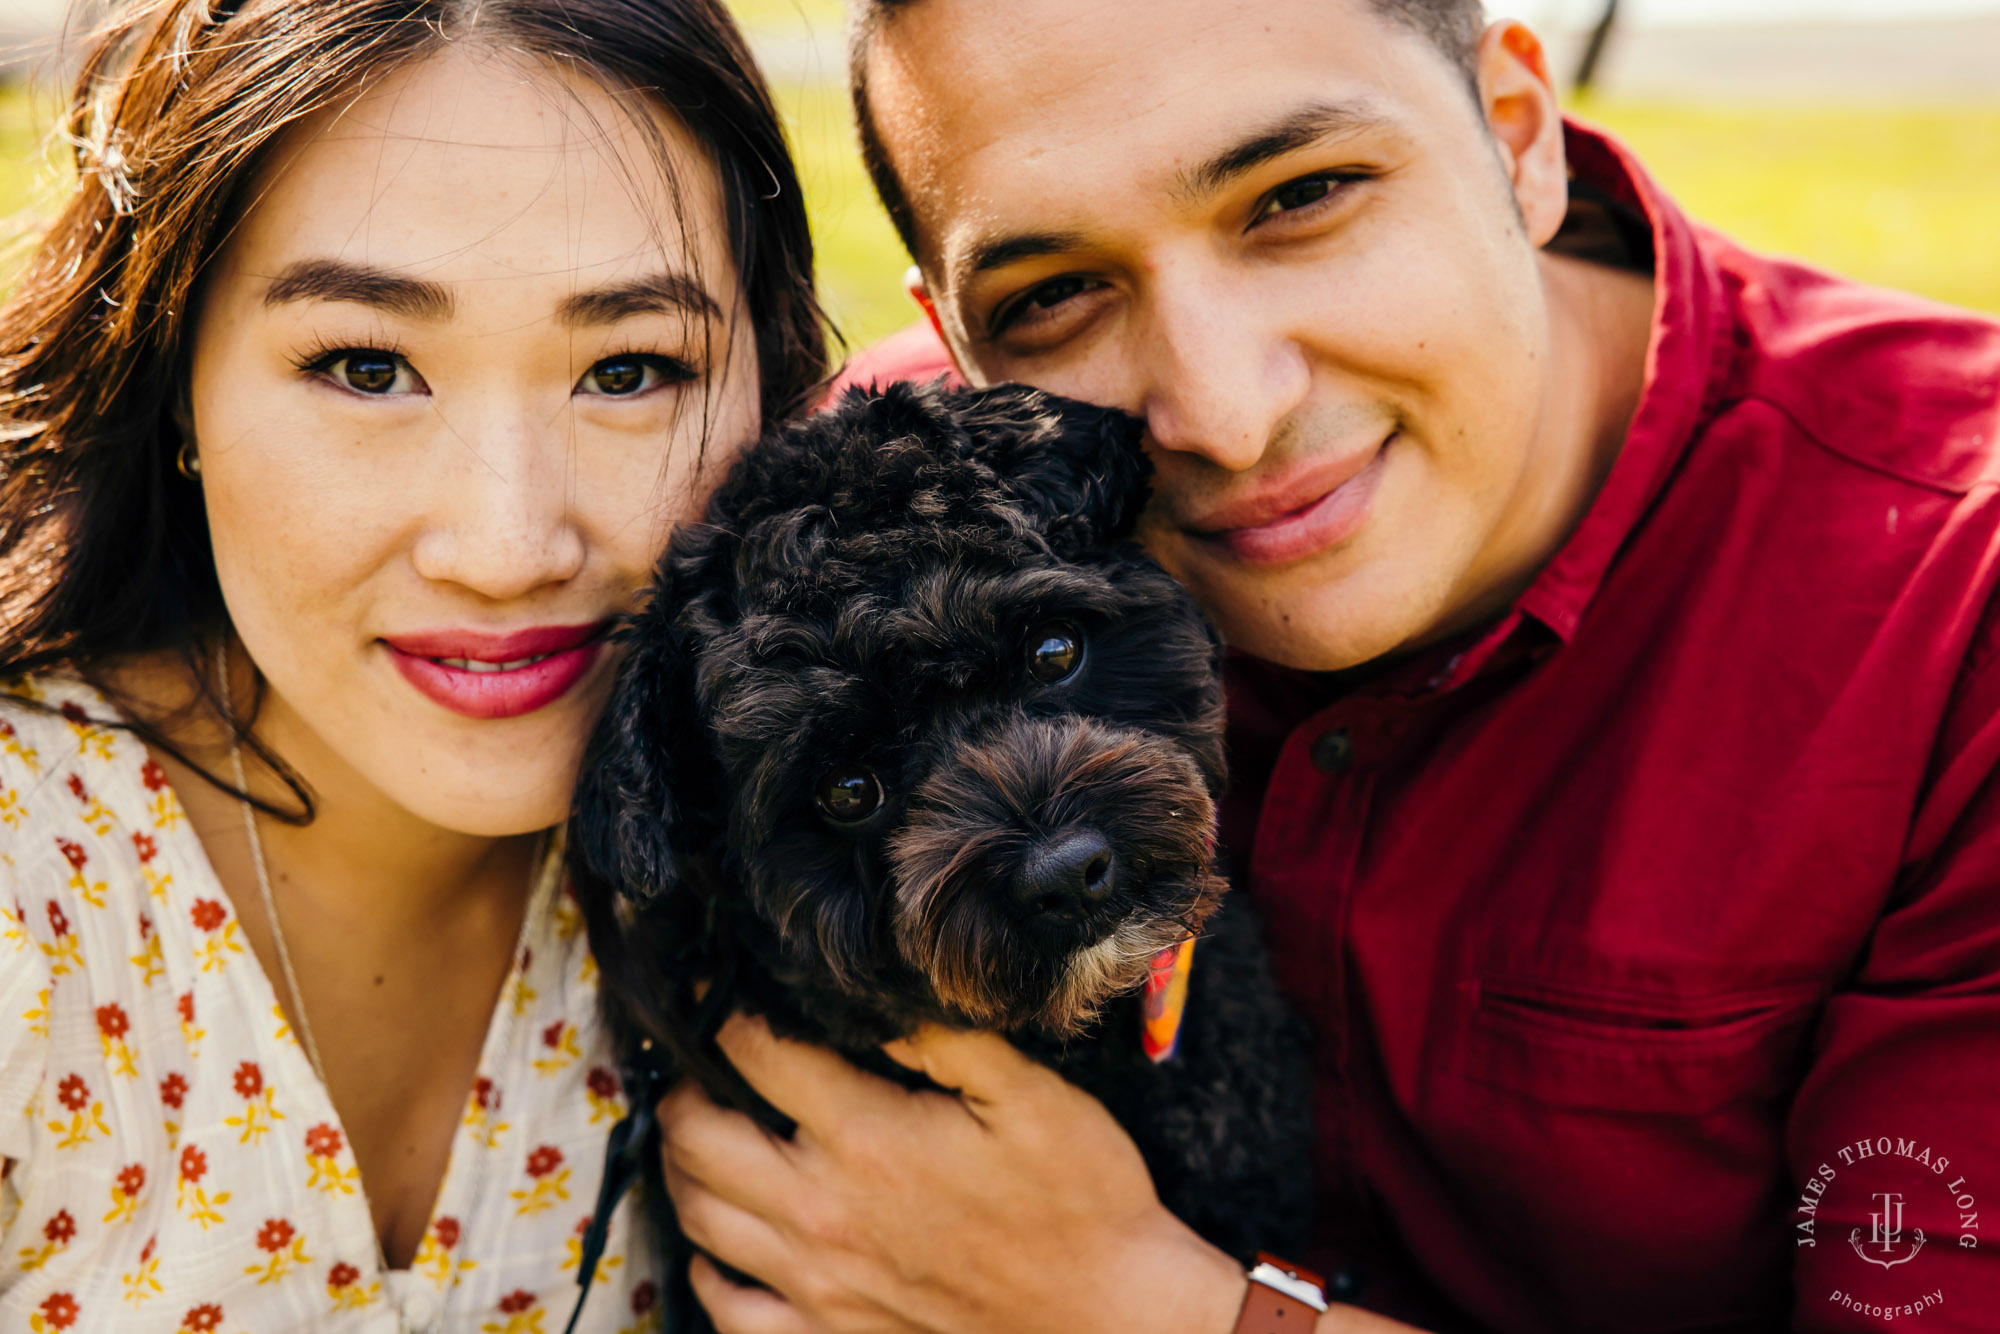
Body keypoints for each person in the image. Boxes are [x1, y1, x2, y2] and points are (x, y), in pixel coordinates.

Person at [653, 2, 2000, 1332]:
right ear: (956, 343)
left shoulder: (1957, 604)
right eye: (1054, 294)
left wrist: (1143, 1309)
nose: (1229, 415)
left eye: (1300, 197)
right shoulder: (881, 538)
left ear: (1520, 135)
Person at [0, 0, 825, 1328]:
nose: (506, 546)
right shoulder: (32, 912)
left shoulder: (801, 870)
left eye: (629, 369)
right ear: (173, 387)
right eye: (367, 365)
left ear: (769, 385)